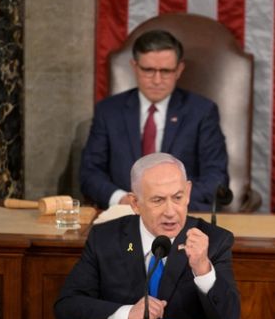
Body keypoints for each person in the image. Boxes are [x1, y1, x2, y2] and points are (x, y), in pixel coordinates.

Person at [55, 153, 240, 319]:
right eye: (158, 200)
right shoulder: (105, 239)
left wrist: (203, 268)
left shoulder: (214, 241)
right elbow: (67, 306)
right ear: (135, 203)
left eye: (177, 197)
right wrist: (126, 314)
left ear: (188, 193)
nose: (170, 212)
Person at [80, 29, 228, 211]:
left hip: (180, 216)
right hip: (124, 214)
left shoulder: (202, 111)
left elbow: (216, 177)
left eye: (166, 71)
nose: (157, 80)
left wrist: (166, 202)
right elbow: (90, 173)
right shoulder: (109, 111)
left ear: (179, 70)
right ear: (134, 67)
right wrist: (122, 199)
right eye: (148, 70)